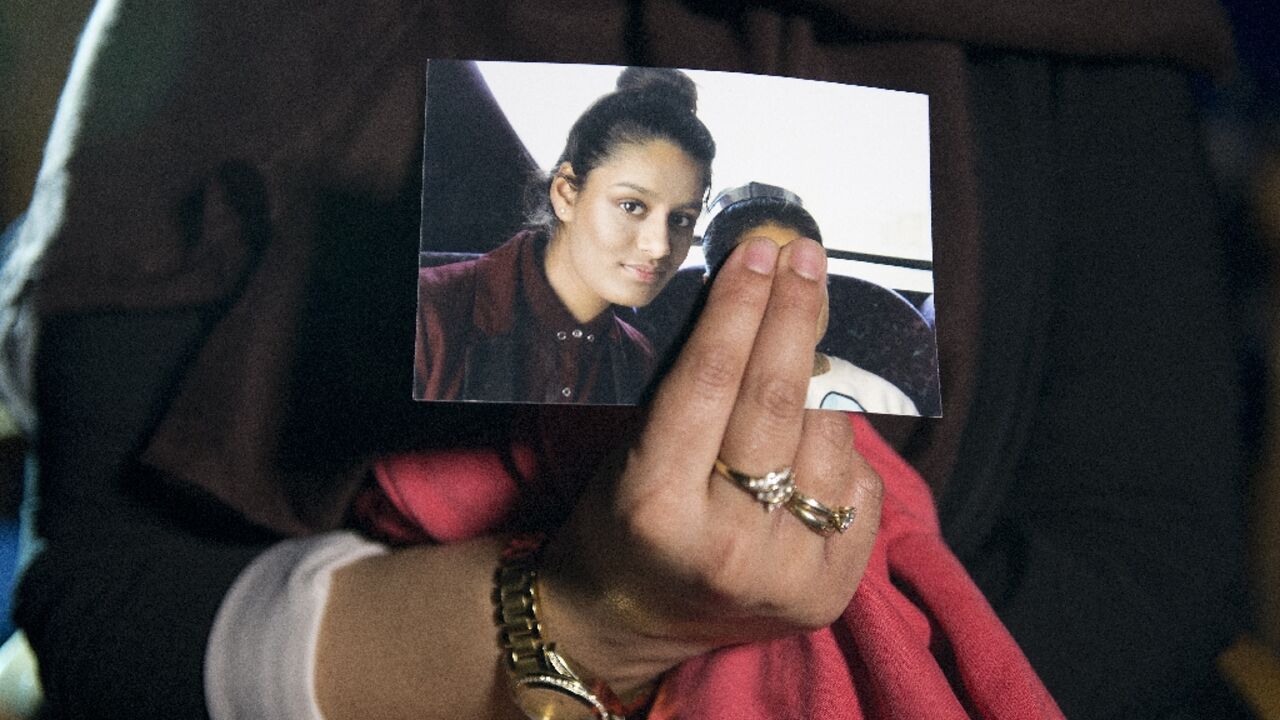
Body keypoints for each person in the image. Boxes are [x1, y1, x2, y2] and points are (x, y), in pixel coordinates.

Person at [0, 2, 1248, 719]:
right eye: (625, 212)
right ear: (558, 190)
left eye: (676, 221)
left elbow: (1148, 577)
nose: (649, 248)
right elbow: (104, 612)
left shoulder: (1066, 33)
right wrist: (596, 615)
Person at [414, 67, 714, 404]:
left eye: (681, 219)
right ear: (566, 194)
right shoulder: (429, 313)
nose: (660, 246)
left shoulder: (637, 360)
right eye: (631, 206)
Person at [700, 182, 921, 415]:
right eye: (761, 276)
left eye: (804, 274)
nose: (789, 300)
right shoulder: (688, 393)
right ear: (711, 291)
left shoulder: (885, 401)